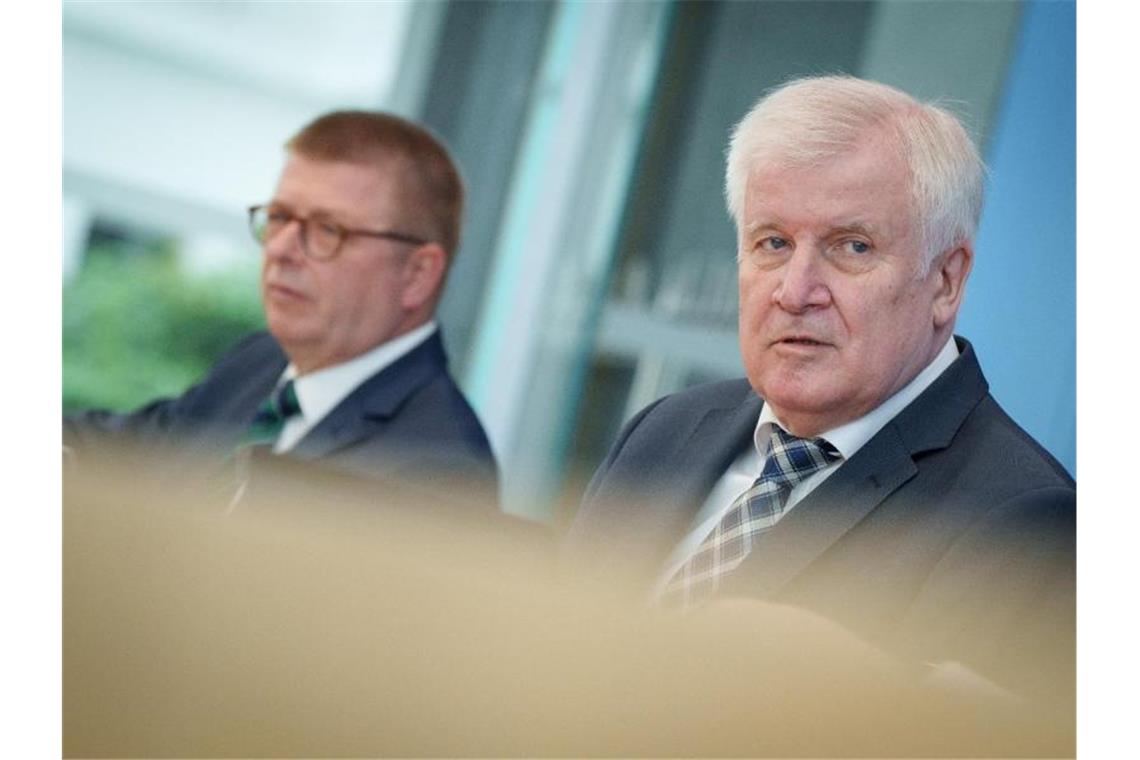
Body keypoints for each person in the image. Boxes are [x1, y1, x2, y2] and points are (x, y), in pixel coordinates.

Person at [565, 76, 1074, 705]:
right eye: (772, 243)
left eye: (851, 247)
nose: (795, 290)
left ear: (946, 280)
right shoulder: (663, 430)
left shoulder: (1026, 527)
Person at [65, 111, 498, 503]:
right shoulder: (260, 361)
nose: (281, 249)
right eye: (278, 218)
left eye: (328, 229)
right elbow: (123, 453)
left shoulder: (440, 473)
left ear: (417, 274)